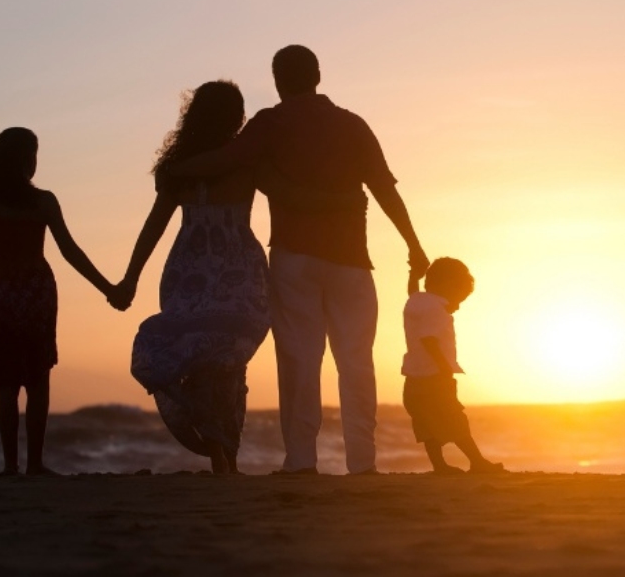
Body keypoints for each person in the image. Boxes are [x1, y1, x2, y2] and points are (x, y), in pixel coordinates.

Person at [172, 46, 429, 475]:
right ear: (319, 75)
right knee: (356, 361)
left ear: (277, 80)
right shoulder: (352, 124)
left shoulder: (270, 123)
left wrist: (175, 171)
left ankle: (301, 462)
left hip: (295, 259)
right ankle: (363, 463)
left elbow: (228, 159)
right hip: (351, 261)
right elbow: (385, 189)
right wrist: (414, 247)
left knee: (299, 359)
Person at [115, 81, 270, 475]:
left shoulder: (178, 168)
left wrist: (131, 278)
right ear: (235, 116)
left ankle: (220, 448)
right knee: (229, 361)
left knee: (204, 358)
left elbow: (153, 227)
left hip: (189, 270)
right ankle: (225, 452)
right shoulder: (246, 160)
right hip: (237, 269)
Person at [0, 127, 123, 476]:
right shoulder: (43, 202)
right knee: (37, 379)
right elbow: (70, 252)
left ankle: (10, 466)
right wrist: (108, 288)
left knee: (6, 383)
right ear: (25, 161)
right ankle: (35, 463)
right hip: (35, 294)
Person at [402, 258, 504, 474]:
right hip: (434, 378)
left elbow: (413, 292)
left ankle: (439, 466)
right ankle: (477, 462)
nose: (456, 307)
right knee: (455, 420)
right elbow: (428, 339)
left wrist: (413, 276)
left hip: (413, 381)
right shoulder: (436, 310)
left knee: (426, 425)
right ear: (448, 286)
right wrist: (444, 367)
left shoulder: (417, 300)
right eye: (458, 298)